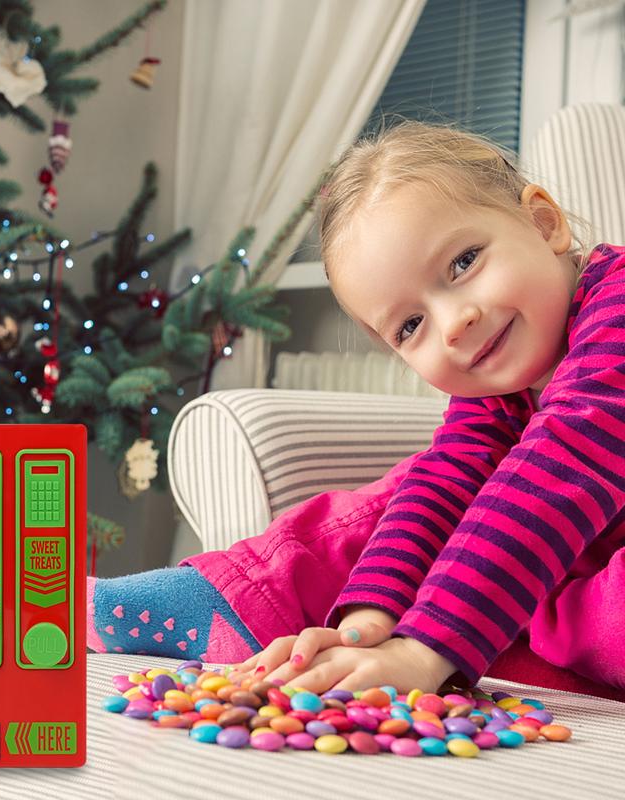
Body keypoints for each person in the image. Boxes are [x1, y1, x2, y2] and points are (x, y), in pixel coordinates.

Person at [87, 119, 625, 695]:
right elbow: (445, 486)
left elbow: (562, 466)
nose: (454, 322)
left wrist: (426, 649)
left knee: (551, 584)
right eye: (411, 325)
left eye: (464, 263)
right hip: (557, 570)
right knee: (404, 496)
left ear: (544, 223)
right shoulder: (493, 386)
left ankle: (474, 644)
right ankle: (228, 600)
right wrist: (365, 626)